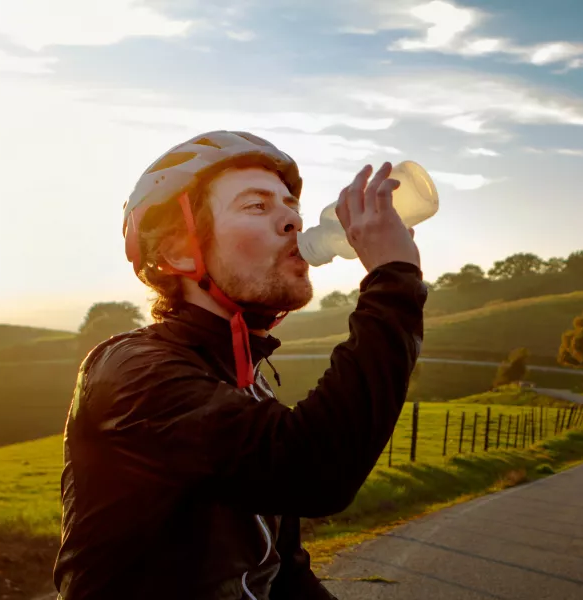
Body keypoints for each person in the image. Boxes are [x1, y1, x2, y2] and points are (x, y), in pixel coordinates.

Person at [53, 131, 426, 599]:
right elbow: (315, 471)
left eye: (290, 206)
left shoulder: (246, 380)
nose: (291, 219)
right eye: (256, 206)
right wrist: (393, 280)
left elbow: (281, 569)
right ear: (178, 252)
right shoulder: (133, 371)